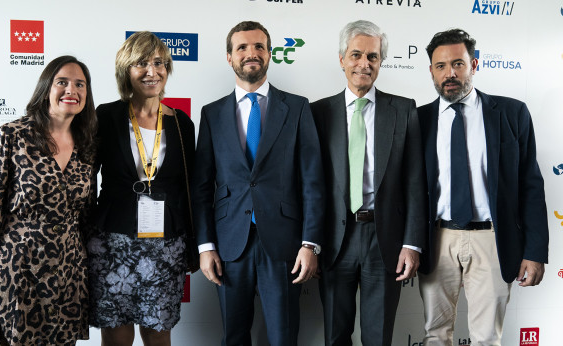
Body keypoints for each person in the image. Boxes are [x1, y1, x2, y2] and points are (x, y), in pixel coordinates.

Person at [192, 21, 325, 345]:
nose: (251, 54)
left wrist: (310, 244)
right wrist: (206, 246)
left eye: (259, 47)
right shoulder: (212, 114)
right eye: (242, 47)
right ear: (229, 57)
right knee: (233, 337)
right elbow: (201, 186)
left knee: (283, 336)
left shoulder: (296, 107)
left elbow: (312, 181)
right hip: (228, 247)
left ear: (269, 54)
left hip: (283, 245)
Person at [417, 28, 549, 345]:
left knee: (488, 337)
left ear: (474, 65)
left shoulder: (511, 113)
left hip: (493, 239)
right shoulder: (417, 120)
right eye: (441, 66)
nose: (450, 73)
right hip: (437, 239)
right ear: (431, 71)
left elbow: (531, 185)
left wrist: (534, 252)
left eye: (458, 64)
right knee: (435, 334)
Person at [0, 55, 97, 345]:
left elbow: (87, 214)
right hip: (16, 270)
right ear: (46, 88)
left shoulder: (87, 145)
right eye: (62, 82)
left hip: (69, 272)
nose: (71, 90)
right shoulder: (11, 136)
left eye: (80, 84)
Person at [310, 20, 427, 346]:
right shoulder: (318, 113)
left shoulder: (403, 111)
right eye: (356, 55)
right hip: (335, 241)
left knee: (379, 337)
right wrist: (311, 243)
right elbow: (310, 186)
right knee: (335, 335)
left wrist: (412, 243)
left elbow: (415, 183)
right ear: (342, 59)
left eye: (372, 57)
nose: (364, 64)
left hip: (385, 241)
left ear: (380, 61)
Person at [86, 31, 195, 346]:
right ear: (126, 71)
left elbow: (189, 189)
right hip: (111, 240)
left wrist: (194, 244)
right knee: (116, 335)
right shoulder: (105, 116)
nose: (152, 71)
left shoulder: (181, 123)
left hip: (165, 244)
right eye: (142, 63)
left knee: (158, 332)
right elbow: (86, 176)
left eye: (159, 62)